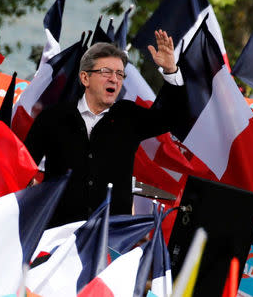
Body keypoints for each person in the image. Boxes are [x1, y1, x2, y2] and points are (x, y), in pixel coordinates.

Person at [25, 30, 186, 226]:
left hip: (110, 238)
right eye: (106, 72)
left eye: (119, 74)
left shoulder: (128, 116)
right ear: (85, 78)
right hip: (57, 234)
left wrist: (171, 71)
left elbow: (171, 117)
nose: (114, 79)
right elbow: (23, 166)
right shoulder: (53, 117)